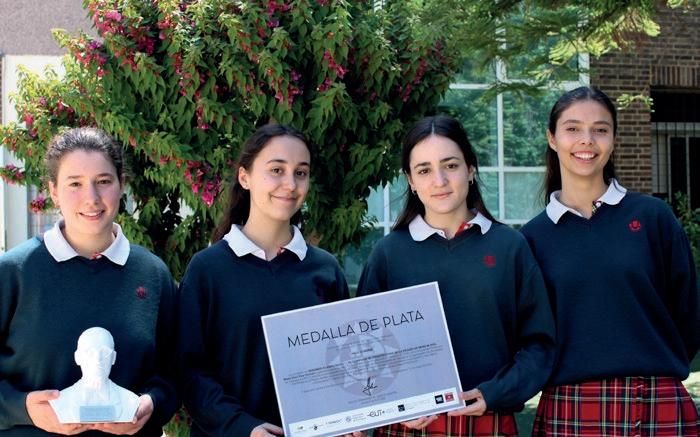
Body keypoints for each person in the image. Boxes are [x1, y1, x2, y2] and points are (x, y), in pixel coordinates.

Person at [357, 115, 556, 437]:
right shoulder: (389, 254)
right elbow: (364, 350)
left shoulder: (510, 247)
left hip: (488, 421)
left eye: (450, 165)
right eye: (424, 170)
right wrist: (394, 403)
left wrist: (495, 393)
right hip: (408, 428)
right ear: (410, 180)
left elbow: (539, 344)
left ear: (471, 169)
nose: (439, 180)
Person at [521, 86, 700, 436]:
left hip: (657, 401)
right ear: (552, 138)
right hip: (570, 408)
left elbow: (688, 315)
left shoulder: (654, 217)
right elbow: (531, 337)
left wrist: (653, 368)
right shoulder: (532, 238)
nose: (586, 140)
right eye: (573, 128)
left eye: (600, 129)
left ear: (614, 139)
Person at [177, 124, 363, 437]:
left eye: (301, 173)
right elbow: (188, 371)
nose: (290, 184)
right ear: (244, 177)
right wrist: (244, 428)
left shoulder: (325, 269)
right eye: (277, 170)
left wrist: (349, 417)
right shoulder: (208, 269)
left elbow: (342, 364)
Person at [0, 127, 178, 436]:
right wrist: (22, 407)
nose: (91, 198)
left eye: (103, 181)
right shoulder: (13, 273)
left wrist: (153, 403)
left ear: (122, 185)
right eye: (75, 184)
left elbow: (177, 371)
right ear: (53, 191)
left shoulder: (152, 275)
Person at [49, 327, 140, 424]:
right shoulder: (62, 400)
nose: (97, 360)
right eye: (90, 352)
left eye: (104, 352)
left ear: (113, 358)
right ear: (77, 357)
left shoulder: (129, 400)